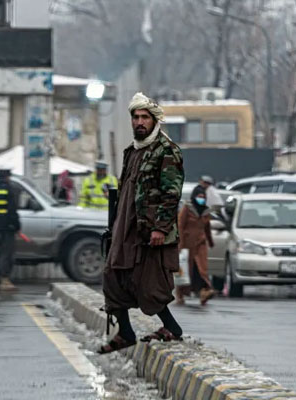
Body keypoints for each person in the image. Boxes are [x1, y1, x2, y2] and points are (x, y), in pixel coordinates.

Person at [99, 92, 185, 354]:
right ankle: (125, 333)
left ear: (154, 120)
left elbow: (172, 194)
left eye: (144, 117)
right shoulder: (132, 152)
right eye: (135, 117)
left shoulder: (166, 151)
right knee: (113, 278)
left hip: (148, 232)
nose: (139, 122)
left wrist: (160, 227)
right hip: (124, 230)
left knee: (149, 285)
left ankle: (173, 329)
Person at [177, 186, 215, 305]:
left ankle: (205, 291)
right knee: (186, 270)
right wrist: (181, 243)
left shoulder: (206, 211)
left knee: (202, 269)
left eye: (203, 197)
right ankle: (181, 293)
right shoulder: (187, 208)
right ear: (194, 197)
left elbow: (207, 227)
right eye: (199, 197)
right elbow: (180, 225)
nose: (201, 199)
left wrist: (210, 241)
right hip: (187, 244)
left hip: (200, 244)